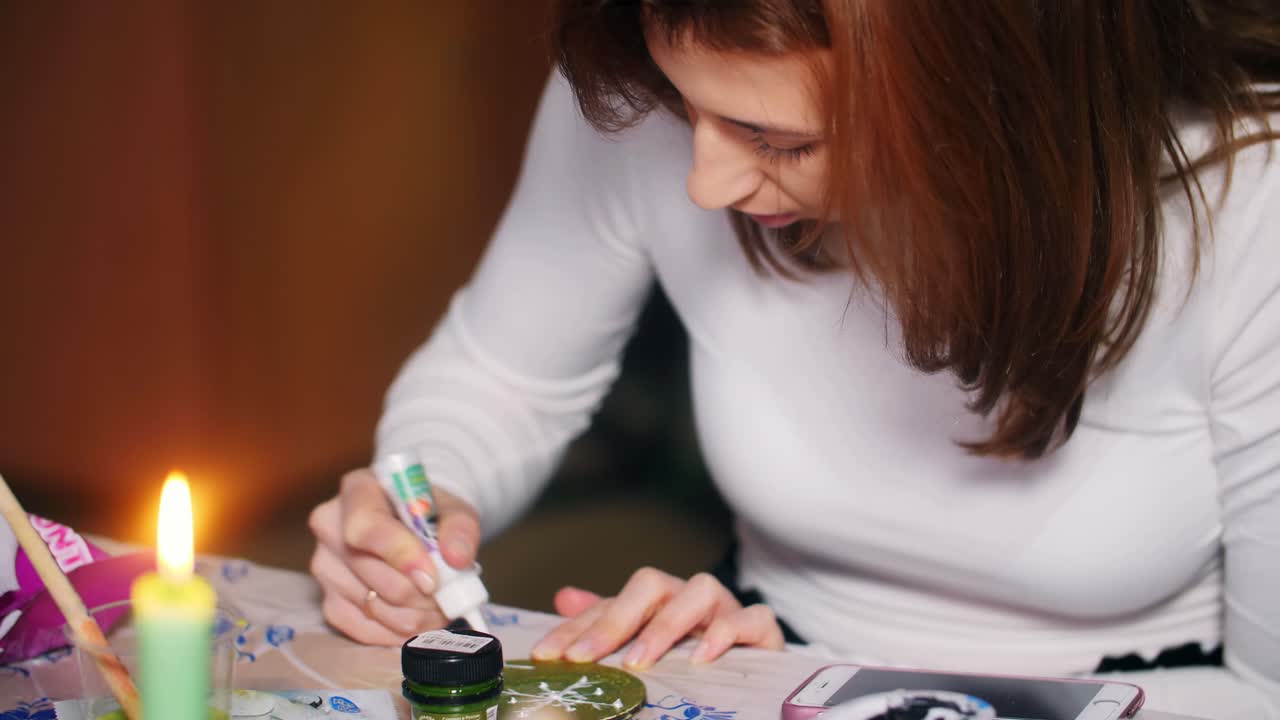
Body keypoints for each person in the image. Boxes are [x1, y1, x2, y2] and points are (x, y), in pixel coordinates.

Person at [308, 1, 1280, 716]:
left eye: (776, 140)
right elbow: (502, 375)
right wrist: (421, 510)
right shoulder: (669, 80)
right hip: (765, 661)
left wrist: (852, 696)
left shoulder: (1251, 206)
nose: (701, 180)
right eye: (684, 110)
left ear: (987, 114)